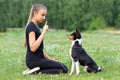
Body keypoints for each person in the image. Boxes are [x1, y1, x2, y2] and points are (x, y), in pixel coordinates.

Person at [24, 4, 68, 74]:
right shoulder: (31, 27)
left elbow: (39, 50)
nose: (44, 17)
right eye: (42, 15)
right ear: (35, 13)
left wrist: (50, 59)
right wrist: (43, 32)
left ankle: (36, 71)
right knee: (63, 68)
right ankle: (35, 72)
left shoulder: (36, 27)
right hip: (33, 61)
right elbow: (33, 48)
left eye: (45, 15)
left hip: (38, 59)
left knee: (63, 68)